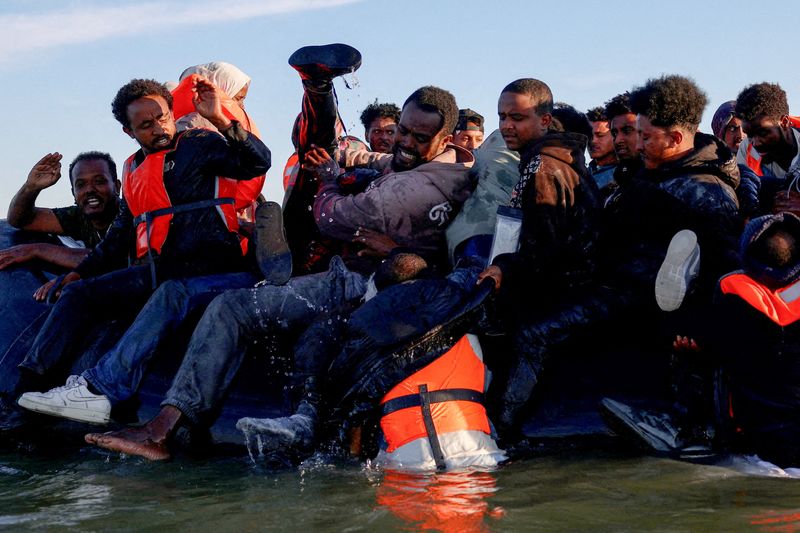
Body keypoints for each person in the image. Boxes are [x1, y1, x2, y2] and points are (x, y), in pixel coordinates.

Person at [82, 43, 475, 461]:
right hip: (362, 269)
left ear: (444, 137)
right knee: (308, 324)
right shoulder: (433, 162)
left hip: (363, 279)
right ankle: (317, 89)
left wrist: (327, 179)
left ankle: (162, 429)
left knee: (232, 308)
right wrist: (346, 160)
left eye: (418, 137)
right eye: (403, 131)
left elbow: (329, 217)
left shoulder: (411, 188)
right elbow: (382, 161)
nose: (406, 142)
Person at [14, 77, 272, 424]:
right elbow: (119, 238)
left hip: (215, 269)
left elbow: (257, 162)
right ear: (129, 131)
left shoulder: (198, 143)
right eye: (145, 125)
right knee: (78, 293)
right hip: (159, 269)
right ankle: (25, 392)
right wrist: (80, 272)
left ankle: (101, 390)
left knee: (170, 292)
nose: (159, 129)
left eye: (162, 117)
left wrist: (222, 119)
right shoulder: (133, 169)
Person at [476, 78, 601, 438]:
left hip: (568, 292)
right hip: (558, 284)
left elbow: (545, 250)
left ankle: (502, 432)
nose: (506, 126)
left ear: (545, 121)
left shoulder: (544, 167)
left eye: (517, 117)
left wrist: (503, 267)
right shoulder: (551, 159)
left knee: (525, 337)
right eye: (501, 117)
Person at [2, 152, 120, 274]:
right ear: (73, 193)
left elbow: (115, 258)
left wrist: (37, 250)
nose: (89, 189)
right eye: (80, 185)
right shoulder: (79, 216)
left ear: (117, 187)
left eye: (99, 181)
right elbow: (20, 219)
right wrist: (31, 188)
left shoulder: (131, 213)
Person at [735, 83, 800, 216]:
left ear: (784, 122)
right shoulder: (746, 149)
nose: (755, 143)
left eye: (763, 133)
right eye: (750, 135)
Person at [711, 100, 758, 220]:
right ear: (720, 133)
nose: (741, 136)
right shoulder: (711, 167)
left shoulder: (766, 159)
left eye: (744, 128)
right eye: (732, 128)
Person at [586, 106, 618, 195]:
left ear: (615, 135)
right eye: (589, 135)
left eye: (600, 135)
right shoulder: (582, 173)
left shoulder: (622, 175)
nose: (592, 141)